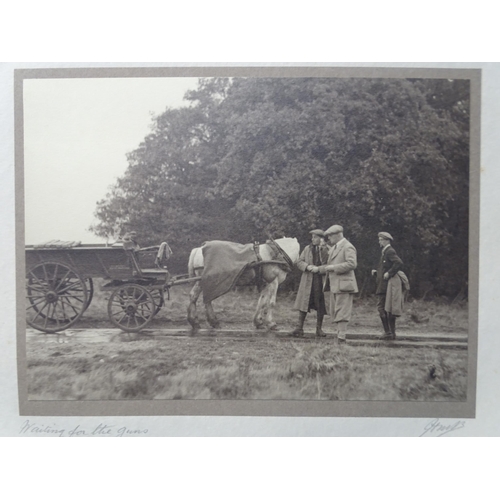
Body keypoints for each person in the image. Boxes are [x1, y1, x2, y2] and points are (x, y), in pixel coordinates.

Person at [317, 225, 358, 343]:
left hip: (344, 285)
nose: (329, 239)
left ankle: (341, 337)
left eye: (330, 236)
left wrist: (334, 268)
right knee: (336, 310)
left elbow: (352, 264)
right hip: (336, 284)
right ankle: (340, 335)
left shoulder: (348, 247)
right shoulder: (335, 247)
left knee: (342, 310)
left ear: (338, 235)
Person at [291, 229, 329, 337]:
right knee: (304, 303)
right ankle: (299, 328)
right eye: (312, 237)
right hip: (308, 280)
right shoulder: (307, 249)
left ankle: (319, 329)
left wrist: (319, 269)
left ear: (321, 239)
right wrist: (307, 267)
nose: (313, 239)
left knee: (321, 305)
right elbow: (299, 261)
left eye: (315, 237)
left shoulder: (327, 249)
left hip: (320, 281)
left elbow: (329, 264)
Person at [371, 232, 403, 340]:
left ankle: (388, 332)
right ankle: (391, 333)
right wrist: (378, 272)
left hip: (386, 286)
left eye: (381, 240)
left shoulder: (389, 251)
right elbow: (386, 266)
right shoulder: (385, 251)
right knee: (387, 308)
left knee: (382, 308)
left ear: (386, 240)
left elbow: (398, 263)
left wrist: (389, 273)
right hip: (383, 284)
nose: (379, 241)